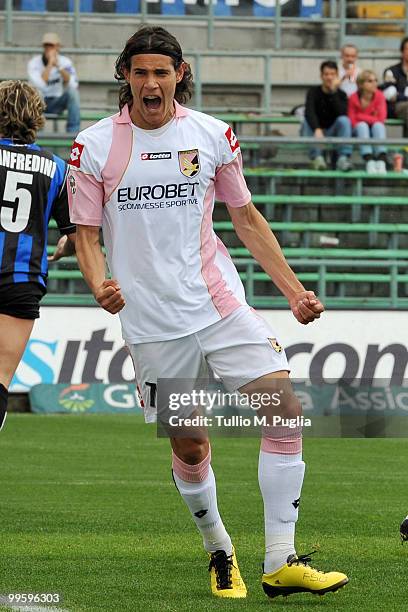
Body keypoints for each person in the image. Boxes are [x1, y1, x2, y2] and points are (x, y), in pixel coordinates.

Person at [68, 26, 348, 600]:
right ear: (125, 75)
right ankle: (220, 549)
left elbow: (245, 219)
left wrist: (294, 291)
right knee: (191, 446)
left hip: (219, 305)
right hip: (150, 323)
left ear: (179, 74)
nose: (151, 83)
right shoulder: (94, 147)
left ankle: (281, 560)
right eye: (141, 72)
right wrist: (100, 285)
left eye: (161, 72)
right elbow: (86, 236)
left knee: (284, 409)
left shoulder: (213, 135)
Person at [0, 80, 76, 432]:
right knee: (1, 378)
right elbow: (75, 236)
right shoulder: (57, 168)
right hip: (22, 281)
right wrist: (62, 248)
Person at [301, 61, 353, 171]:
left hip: (332, 131)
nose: (329, 77)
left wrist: (333, 92)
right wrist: (317, 128)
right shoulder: (313, 92)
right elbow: (309, 112)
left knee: (344, 120)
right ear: (321, 76)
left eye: (332, 74)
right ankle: (317, 158)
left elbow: (342, 113)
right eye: (326, 74)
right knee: (306, 121)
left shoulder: (341, 94)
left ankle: (343, 158)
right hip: (315, 131)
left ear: (337, 76)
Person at [27, 32, 80, 134]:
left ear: (58, 47)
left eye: (51, 46)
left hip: (57, 102)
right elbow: (40, 85)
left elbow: (73, 84)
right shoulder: (34, 63)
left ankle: (73, 133)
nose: (49, 49)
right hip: (38, 103)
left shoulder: (65, 62)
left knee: (73, 93)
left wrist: (59, 67)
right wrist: (50, 64)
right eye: (46, 45)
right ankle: (37, 135)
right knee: (37, 92)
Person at [348, 70, 388, 174]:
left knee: (378, 126)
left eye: (375, 80)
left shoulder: (380, 96)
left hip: (375, 129)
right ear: (361, 84)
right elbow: (352, 121)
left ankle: (381, 160)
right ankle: (369, 159)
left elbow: (381, 119)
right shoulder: (353, 97)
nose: (374, 83)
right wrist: (369, 118)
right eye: (370, 81)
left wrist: (360, 116)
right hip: (358, 132)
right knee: (362, 126)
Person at [381, 36, 408, 137]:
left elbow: (397, 94)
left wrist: (400, 94)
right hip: (396, 107)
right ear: (402, 51)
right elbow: (390, 95)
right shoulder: (391, 71)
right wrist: (404, 96)